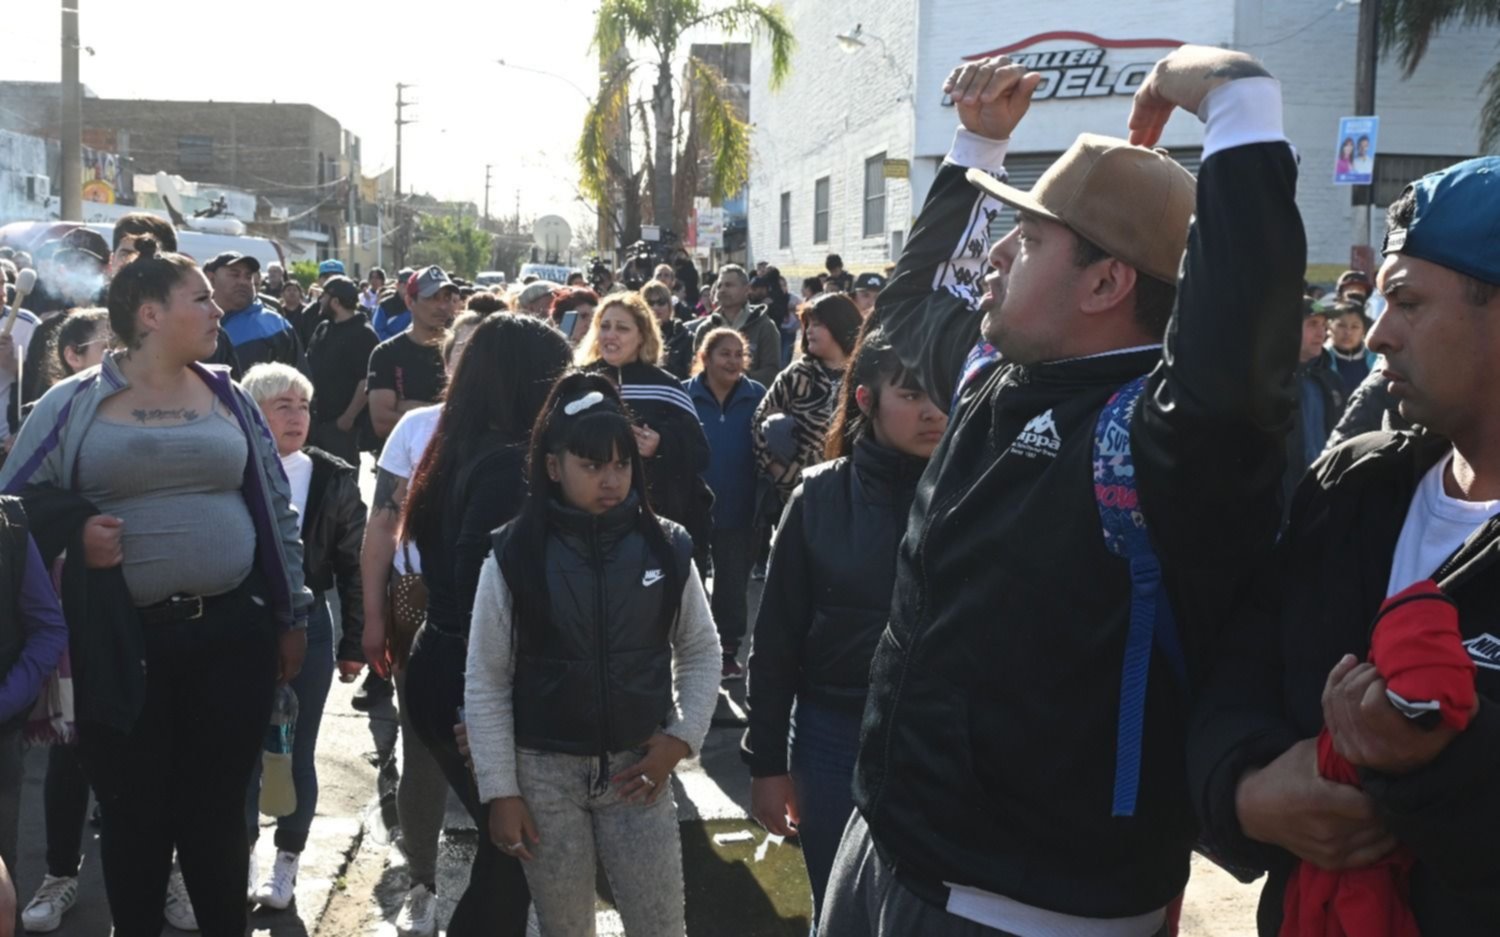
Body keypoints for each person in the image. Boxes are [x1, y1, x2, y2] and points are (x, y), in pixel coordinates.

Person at [819, 46, 1304, 936]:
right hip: (887, 850)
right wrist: (975, 148)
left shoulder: (1164, 444)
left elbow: (1239, 364)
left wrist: (1238, 102)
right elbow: (909, 311)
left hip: (1033, 910)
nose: (998, 252)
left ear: (1109, 281)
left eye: (1030, 238)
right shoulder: (996, 377)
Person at [1189, 156, 1500, 935]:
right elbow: (1235, 675)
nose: (1379, 331)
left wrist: (1433, 760)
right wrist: (1250, 792)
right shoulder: (1350, 490)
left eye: (1408, 301)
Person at [0, 237, 311, 937]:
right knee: (134, 815)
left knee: (220, 816)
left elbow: (273, 506)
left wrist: (290, 613)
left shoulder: (229, 394)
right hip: (118, 646)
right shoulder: (71, 404)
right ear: (148, 313)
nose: (216, 308)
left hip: (232, 637)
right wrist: (74, 533)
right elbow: (8, 514)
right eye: (198, 297)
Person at [466, 372, 722, 936]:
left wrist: (679, 740)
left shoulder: (667, 544)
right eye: (592, 465)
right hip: (543, 777)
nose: (611, 480)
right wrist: (501, 791)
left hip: (640, 774)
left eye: (622, 465)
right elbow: (486, 679)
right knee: (564, 927)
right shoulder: (513, 554)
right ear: (554, 467)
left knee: (660, 926)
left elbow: (701, 651)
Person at [745, 324, 947, 923]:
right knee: (840, 910)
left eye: (942, 392)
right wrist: (765, 766)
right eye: (911, 394)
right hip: (832, 738)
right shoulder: (817, 498)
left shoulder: (973, 494)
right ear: (866, 400)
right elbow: (775, 642)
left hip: (938, 740)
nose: (932, 411)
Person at [398, 314, 572, 937]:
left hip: (442, 666)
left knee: (515, 853)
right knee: (519, 853)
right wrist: (485, 716)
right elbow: (482, 592)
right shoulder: (506, 464)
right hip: (468, 679)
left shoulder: (460, 445)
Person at [357, 314, 485, 937]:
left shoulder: (532, 424)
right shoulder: (415, 427)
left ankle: (520, 883)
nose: (471, 360)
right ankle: (423, 879)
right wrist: (374, 617)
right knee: (423, 745)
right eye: (462, 348)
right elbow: (381, 525)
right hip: (419, 598)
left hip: (502, 600)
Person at [239, 363, 367, 910]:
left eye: (304, 406)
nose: (297, 417)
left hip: (310, 625)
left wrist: (355, 643)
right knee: (238, 751)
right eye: (282, 406)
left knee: (298, 750)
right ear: (253, 413)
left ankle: (287, 861)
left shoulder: (333, 475)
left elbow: (354, 564)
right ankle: (240, 853)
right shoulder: (231, 465)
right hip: (241, 624)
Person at [16, 309, 114, 935]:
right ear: (75, 356)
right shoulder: (58, 409)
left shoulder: (185, 399)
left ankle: (172, 873)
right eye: (110, 346)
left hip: (158, 607)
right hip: (75, 601)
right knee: (73, 750)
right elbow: (18, 501)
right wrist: (80, 523)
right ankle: (59, 872)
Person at [576, 293, 714, 568]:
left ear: (642, 336)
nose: (610, 335)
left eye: (622, 328)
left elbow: (700, 454)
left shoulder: (666, 386)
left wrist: (661, 445)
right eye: (604, 326)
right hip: (587, 525)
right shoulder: (577, 382)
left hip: (653, 528)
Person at [685, 328, 768, 679]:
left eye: (739, 354)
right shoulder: (683, 395)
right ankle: (689, 652)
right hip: (692, 509)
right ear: (705, 357)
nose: (733, 361)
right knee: (690, 582)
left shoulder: (758, 395)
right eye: (725, 354)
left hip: (740, 508)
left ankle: (727, 652)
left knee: (733, 585)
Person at [752, 292, 862, 509]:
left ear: (840, 325)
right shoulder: (796, 375)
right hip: (802, 495)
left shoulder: (866, 375)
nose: (809, 330)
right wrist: (782, 475)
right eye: (807, 324)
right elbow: (758, 422)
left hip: (854, 495)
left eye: (818, 324)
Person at [366, 266, 458, 443]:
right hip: (404, 462)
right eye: (432, 298)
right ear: (410, 302)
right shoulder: (386, 353)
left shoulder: (461, 348)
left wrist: (409, 409)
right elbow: (382, 423)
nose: (442, 306)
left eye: (447, 298)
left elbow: (470, 415)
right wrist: (445, 413)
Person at [306, 275, 380, 466]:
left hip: (341, 428)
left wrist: (347, 419)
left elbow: (366, 381)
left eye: (324, 296)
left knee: (340, 488)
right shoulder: (323, 328)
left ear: (336, 302)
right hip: (315, 422)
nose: (320, 300)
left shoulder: (364, 334)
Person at [1284, 300, 1345, 517]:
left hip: (1323, 494)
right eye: (1312, 324)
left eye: (1323, 324)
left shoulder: (1332, 380)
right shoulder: (1272, 382)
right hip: (1282, 500)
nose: (1322, 332)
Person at [205, 251, 304, 371]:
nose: (243, 282)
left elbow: (301, 383)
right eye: (235, 275)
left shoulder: (276, 326)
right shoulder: (195, 322)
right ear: (211, 279)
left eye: (248, 276)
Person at [694, 266, 783, 386]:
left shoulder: (765, 327)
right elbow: (697, 369)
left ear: (746, 289)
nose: (722, 290)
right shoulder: (706, 329)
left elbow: (771, 372)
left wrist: (736, 380)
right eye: (720, 286)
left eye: (729, 285)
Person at [644, 280, 696, 379]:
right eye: (650, 303)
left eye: (661, 302)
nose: (655, 307)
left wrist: (668, 364)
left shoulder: (685, 336)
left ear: (669, 306)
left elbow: (690, 376)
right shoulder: (634, 337)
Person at [1327, 300, 1378, 397]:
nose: (1348, 332)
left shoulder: (1377, 360)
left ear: (1363, 330)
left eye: (1355, 327)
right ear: (1329, 327)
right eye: (1341, 325)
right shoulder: (1320, 361)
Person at [372, 268, 414, 342]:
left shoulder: (420, 304)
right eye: (405, 283)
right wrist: (396, 344)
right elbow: (377, 331)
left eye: (411, 284)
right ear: (397, 285)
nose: (408, 287)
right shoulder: (385, 305)